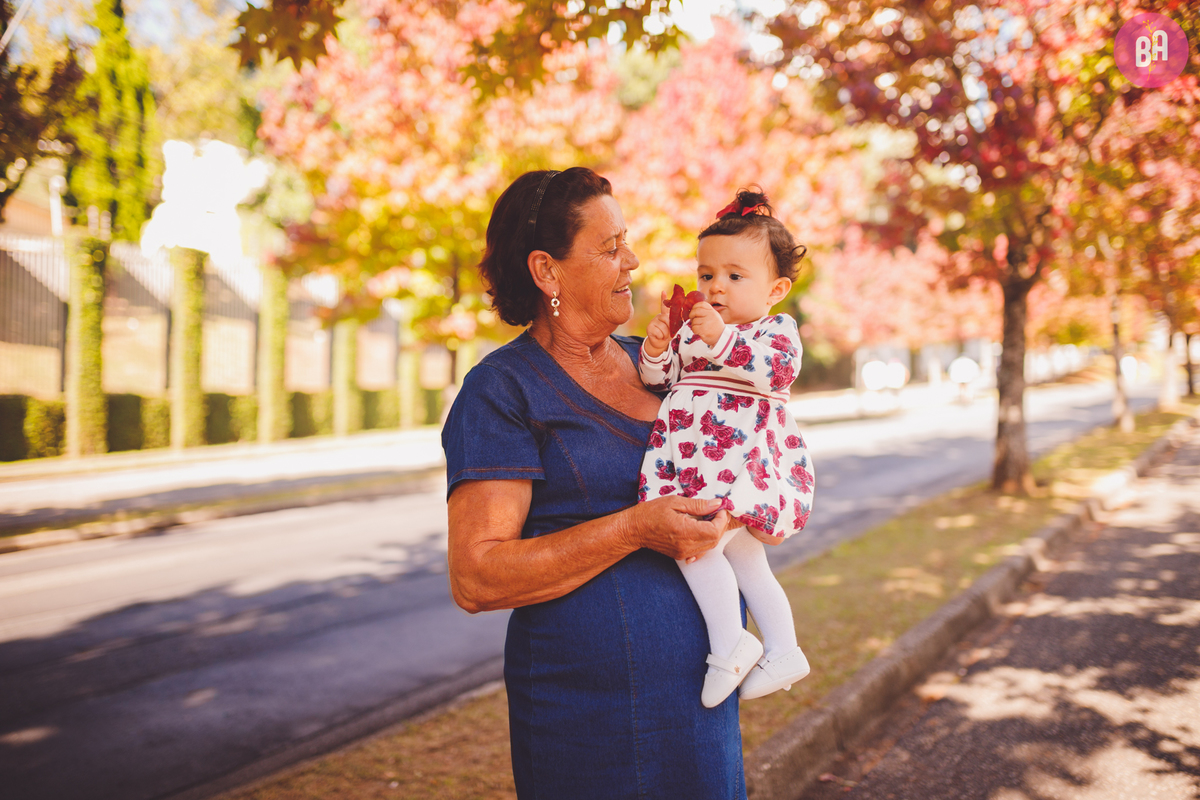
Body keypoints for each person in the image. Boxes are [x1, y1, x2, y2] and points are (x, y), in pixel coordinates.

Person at [442, 167, 753, 799]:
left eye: (627, 242)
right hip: (587, 718)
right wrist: (636, 528)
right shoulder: (504, 390)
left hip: (699, 703)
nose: (632, 261)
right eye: (610, 249)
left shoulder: (662, 363)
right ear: (547, 271)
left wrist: (734, 513)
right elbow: (477, 576)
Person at [638, 188, 815, 708]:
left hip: (737, 460)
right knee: (746, 560)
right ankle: (784, 648)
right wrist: (654, 354)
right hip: (690, 460)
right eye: (707, 275)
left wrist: (719, 340)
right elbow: (663, 382)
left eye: (735, 277)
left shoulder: (773, 332)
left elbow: (774, 372)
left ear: (775, 289)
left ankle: (729, 642)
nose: (716, 289)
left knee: (695, 545)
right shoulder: (692, 334)